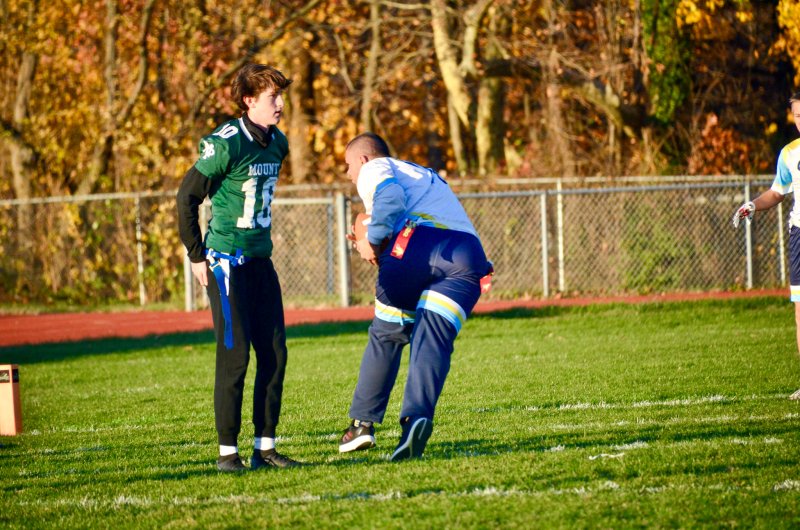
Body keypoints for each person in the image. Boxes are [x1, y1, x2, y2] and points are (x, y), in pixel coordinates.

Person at [338, 132, 493, 460]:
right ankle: (415, 420)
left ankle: (361, 425)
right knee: (431, 339)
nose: (349, 175)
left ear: (364, 159)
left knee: (387, 335)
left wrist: (371, 240)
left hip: (418, 245)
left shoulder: (375, 168)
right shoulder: (424, 174)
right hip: (468, 258)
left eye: (348, 166)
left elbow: (390, 199)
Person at [177, 64, 301, 471]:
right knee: (235, 356)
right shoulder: (226, 144)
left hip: (260, 262)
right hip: (226, 262)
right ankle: (227, 453)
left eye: (281, 96)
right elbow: (186, 197)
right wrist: (197, 254)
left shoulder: (277, 143)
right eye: (272, 97)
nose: (280, 104)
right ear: (249, 101)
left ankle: (265, 447)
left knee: (275, 354)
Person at [732, 91, 800, 401]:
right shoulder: (789, 154)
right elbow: (777, 193)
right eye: (797, 115)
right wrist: (752, 205)